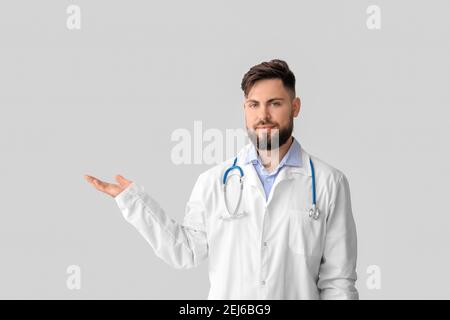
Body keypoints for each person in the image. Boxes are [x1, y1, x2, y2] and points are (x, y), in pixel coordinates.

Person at [85, 59, 359, 300]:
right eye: (254, 105)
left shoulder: (328, 183)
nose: (263, 115)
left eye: (275, 104)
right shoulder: (213, 182)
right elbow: (185, 251)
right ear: (245, 109)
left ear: (295, 107)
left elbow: (338, 282)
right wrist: (134, 202)